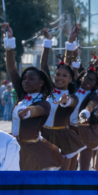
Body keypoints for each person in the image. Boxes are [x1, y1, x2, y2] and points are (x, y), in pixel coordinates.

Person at [3, 23, 63, 171]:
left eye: (31, 79)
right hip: (14, 146)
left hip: (32, 148)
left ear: (41, 82)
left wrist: (28, 112)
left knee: (30, 184)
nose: (26, 81)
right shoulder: (23, 95)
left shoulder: (44, 103)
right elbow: (11, 69)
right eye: (24, 79)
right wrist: (9, 41)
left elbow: (37, 110)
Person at [40, 26, 87, 170]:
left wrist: (66, 102)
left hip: (62, 139)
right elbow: (43, 66)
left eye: (64, 76)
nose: (60, 78)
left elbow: (71, 102)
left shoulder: (73, 97)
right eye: (58, 74)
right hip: (43, 136)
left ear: (71, 79)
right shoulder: (48, 90)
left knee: (62, 177)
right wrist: (48, 42)